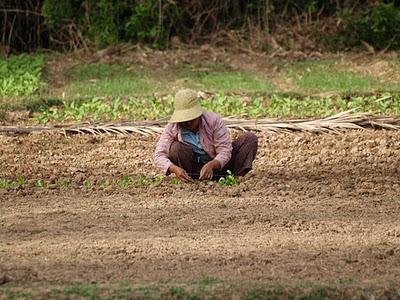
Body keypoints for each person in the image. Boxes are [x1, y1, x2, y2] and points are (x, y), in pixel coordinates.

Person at [154, 89, 258, 181]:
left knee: (249, 139)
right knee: (175, 148)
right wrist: (174, 168)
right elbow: (159, 154)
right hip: (193, 169)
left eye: (191, 119)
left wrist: (212, 164)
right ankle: (191, 179)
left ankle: (236, 177)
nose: (187, 123)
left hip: (221, 167)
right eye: (184, 120)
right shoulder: (173, 127)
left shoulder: (213, 121)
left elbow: (225, 150)